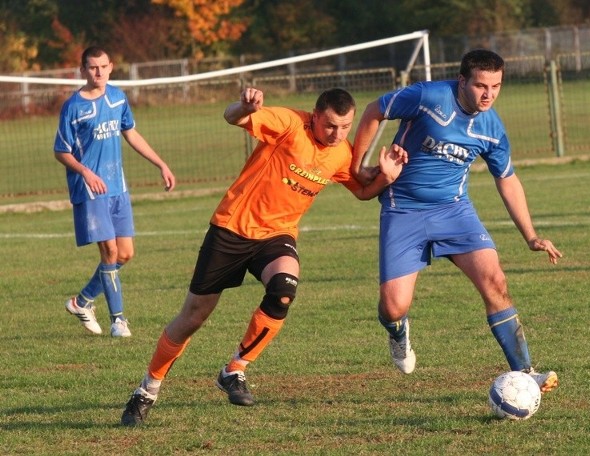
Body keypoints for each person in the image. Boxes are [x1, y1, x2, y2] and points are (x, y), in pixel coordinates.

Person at [120, 87, 407, 426]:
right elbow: (234, 118)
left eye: (345, 127)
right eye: (331, 126)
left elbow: (360, 191)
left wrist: (386, 177)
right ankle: (147, 390)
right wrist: (243, 106)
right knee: (193, 317)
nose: (338, 134)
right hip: (231, 229)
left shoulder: (340, 154)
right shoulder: (288, 123)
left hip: (277, 236)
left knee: (284, 287)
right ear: (314, 115)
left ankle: (235, 368)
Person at [350, 49, 562, 393]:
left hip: (454, 210)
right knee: (393, 307)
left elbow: (506, 179)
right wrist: (358, 164)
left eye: (496, 86)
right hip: (402, 208)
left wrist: (531, 236)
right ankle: (398, 332)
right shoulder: (427, 97)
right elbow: (377, 109)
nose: (489, 94)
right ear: (462, 80)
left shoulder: (492, 128)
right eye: (481, 85)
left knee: (496, 282)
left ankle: (526, 373)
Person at [54, 46, 176, 338]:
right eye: (93, 67)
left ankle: (81, 301)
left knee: (126, 253)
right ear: (83, 70)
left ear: (111, 67)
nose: (99, 72)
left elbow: (131, 133)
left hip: (118, 187)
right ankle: (118, 320)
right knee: (109, 252)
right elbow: (61, 151)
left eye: (103, 66)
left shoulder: (118, 97)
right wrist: (85, 172)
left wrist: (161, 164)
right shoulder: (73, 107)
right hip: (90, 190)